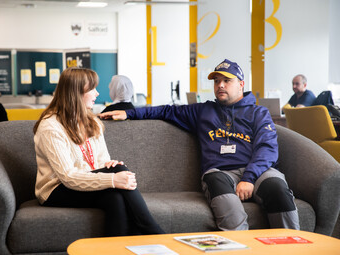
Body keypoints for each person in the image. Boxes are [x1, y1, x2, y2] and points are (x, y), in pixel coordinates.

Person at [100, 59, 300, 232]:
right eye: (216, 81)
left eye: (226, 80)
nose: (220, 85)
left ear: (241, 84)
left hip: (259, 171)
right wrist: (129, 113)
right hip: (221, 172)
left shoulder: (258, 113)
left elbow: (267, 148)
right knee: (216, 184)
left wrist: (249, 178)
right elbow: (166, 111)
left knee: (278, 189)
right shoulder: (203, 111)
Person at [33, 67, 164, 237]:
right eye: (92, 89)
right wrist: (112, 178)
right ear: (76, 92)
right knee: (118, 173)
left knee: (115, 197)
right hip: (56, 189)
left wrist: (108, 166)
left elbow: (102, 159)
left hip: (86, 178)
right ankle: (153, 231)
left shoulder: (91, 120)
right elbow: (68, 177)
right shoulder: (50, 126)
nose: (97, 93)